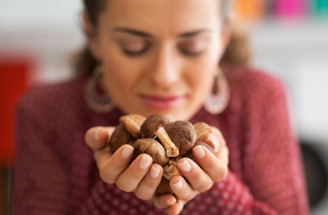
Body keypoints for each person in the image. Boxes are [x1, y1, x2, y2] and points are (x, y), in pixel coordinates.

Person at [12, 0, 309, 214]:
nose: (164, 76)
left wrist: (211, 183)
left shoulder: (261, 99)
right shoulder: (45, 113)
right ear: (93, 35)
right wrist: (122, 192)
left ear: (222, 37)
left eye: (191, 47)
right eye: (134, 47)